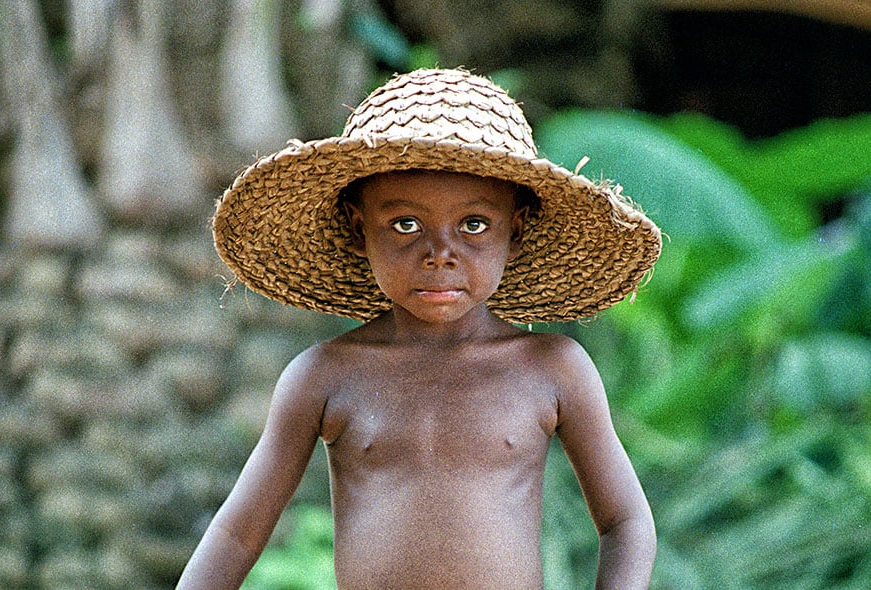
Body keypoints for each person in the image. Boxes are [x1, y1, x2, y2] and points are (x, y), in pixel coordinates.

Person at [177, 68, 661, 589]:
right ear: (360, 229)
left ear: (515, 232)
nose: (440, 256)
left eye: (474, 225)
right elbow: (235, 537)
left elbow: (626, 523)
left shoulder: (552, 368)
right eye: (405, 225)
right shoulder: (324, 376)